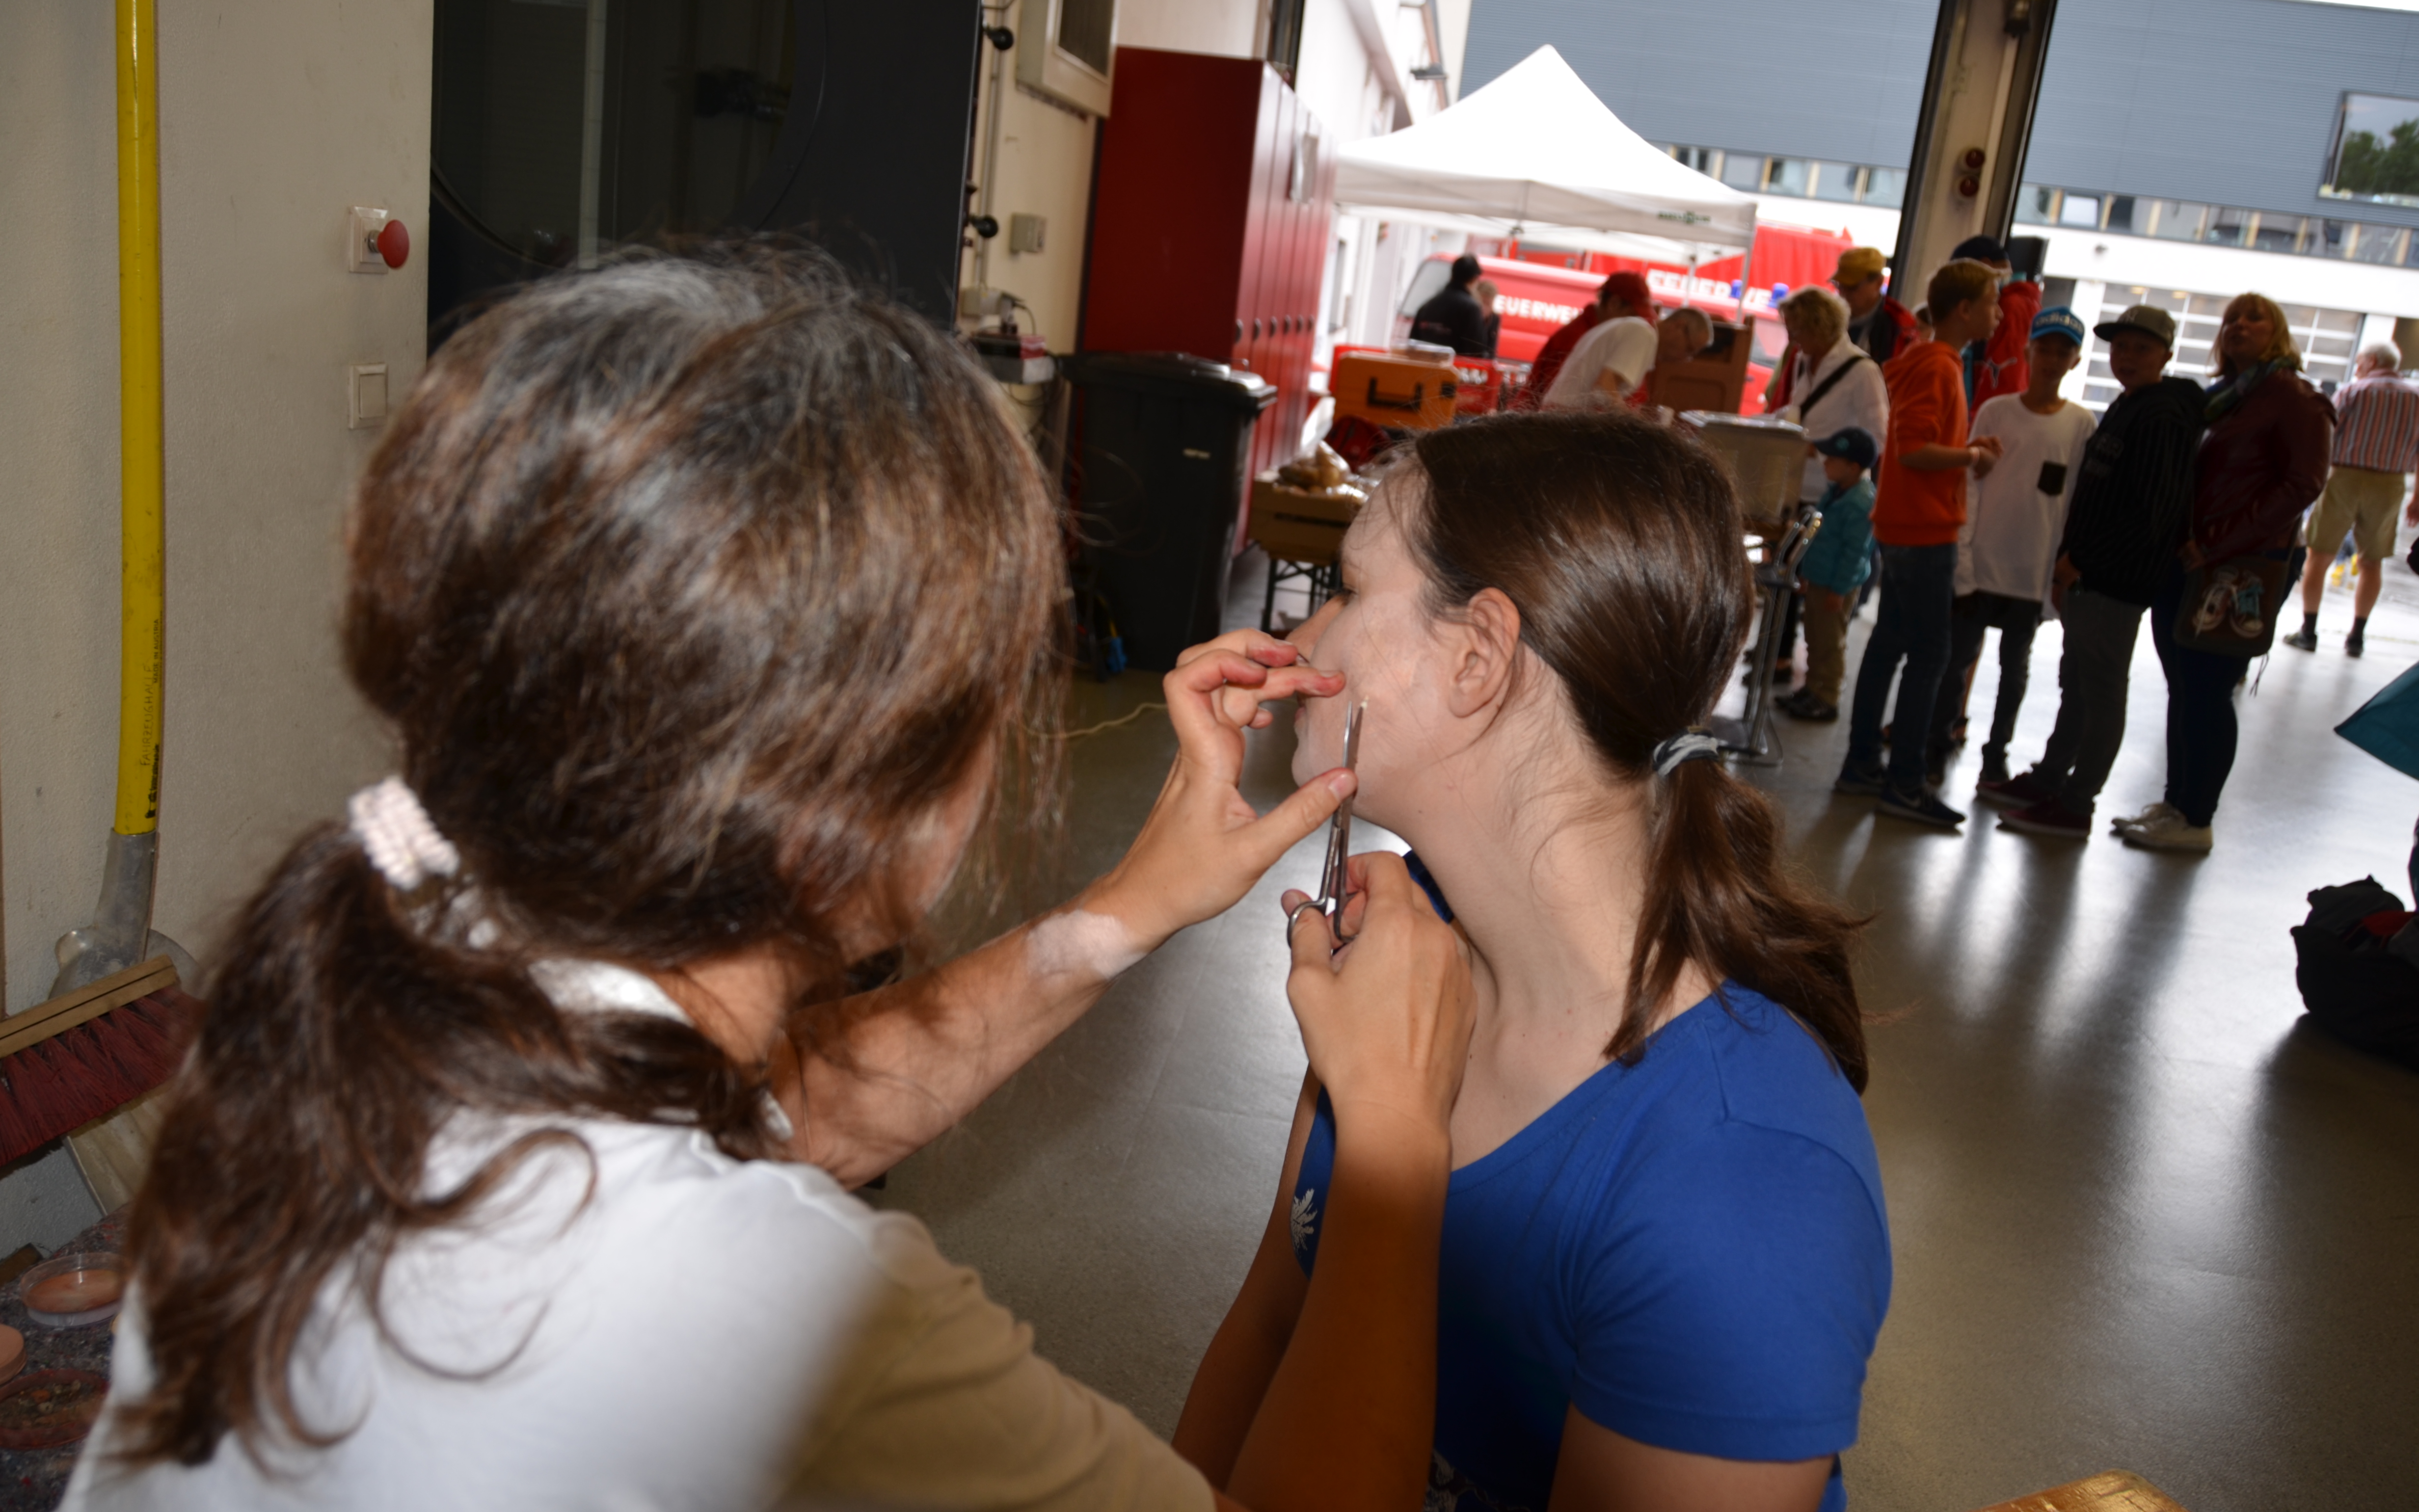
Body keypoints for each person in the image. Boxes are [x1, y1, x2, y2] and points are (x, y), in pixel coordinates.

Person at [67, 247, 1475, 1512]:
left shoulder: (388, 936)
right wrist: (1397, 1150)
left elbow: (796, 1115)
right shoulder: (783, 1305)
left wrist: (1124, 913)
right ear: (853, 810)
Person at [1175, 410, 1889, 1512]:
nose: (1303, 639)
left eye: (1349, 591)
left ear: (1477, 656)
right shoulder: (1407, 950)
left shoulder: (1743, 1185)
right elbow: (1275, 1318)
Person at [1988, 305, 2206, 840]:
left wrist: (2080, 561)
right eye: (2120, 347)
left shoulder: (2162, 417)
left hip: (2115, 581)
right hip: (2088, 578)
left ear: (2166, 355)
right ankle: (2051, 779)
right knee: (2078, 685)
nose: (2126, 357)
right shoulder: (2130, 405)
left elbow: (2148, 512)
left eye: (2141, 349)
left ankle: (2076, 803)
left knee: (2101, 691)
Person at [2127, 292, 2332, 853]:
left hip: (2242, 564)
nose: (2237, 325)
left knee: (2207, 689)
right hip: (2191, 557)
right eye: (2229, 319)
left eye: (2252, 318)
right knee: (2182, 685)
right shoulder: (2221, 398)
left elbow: (2303, 483)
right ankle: (2175, 804)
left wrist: (2219, 541)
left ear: (2277, 331)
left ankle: (2196, 818)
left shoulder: (2294, 398)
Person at [1835, 261, 2006, 827]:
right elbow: (1911, 449)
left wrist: (1964, 447)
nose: (1998, 314)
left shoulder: (1929, 360)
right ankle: (1905, 784)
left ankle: (1862, 764)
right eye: (1991, 302)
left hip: (1904, 524)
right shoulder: (1937, 364)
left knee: (1889, 645)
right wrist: (1972, 457)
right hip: (1923, 529)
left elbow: (1919, 440)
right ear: (1964, 309)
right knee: (1930, 655)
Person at [1922, 308, 2095, 789]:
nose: (2052, 360)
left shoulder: (2080, 424)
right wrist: (1964, 559)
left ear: (2075, 360)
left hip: (2031, 573)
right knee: (1955, 664)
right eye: (2045, 349)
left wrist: (2056, 569)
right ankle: (1936, 746)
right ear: (2028, 352)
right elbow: (1970, 485)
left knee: (2013, 673)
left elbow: (2073, 501)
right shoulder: (1997, 411)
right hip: (1981, 565)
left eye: (2063, 352)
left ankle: (1995, 755)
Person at [1769, 285, 1890, 686]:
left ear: (1821, 327)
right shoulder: (1805, 361)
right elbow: (1800, 410)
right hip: (1795, 485)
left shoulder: (1862, 371)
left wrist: (1822, 454)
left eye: (1798, 329)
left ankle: (1814, 676)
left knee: (1819, 587)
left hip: (1833, 494)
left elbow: (1877, 437)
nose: (1792, 338)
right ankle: (1778, 652)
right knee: (1787, 571)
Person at [2285, 342, 2419, 657]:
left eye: (2359, 362)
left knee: (2320, 555)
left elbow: (2326, 436)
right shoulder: (2416, 397)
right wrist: (2417, 498)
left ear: (2371, 361)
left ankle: (2309, 631)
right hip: (2390, 483)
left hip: (2344, 477)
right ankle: (2357, 637)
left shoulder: (2353, 392)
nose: (2357, 368)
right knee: (2373, 562)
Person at [1781, 428, 1880, 724]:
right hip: (1819, 578)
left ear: (1853, 467)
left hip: (1836, 587)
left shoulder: (1860, 502)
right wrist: (1807, 574)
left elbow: (1856, 553)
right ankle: (1812, 688)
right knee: (1814, 636)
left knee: (1830, 642)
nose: (1825, 463)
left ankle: (1828, 698)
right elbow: (1819, 537)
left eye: (1833, 459)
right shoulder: (1836, 491)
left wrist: (1839, 590)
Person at [1520, 270, 1655, 406]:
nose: (1641, 321)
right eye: (1634, 315)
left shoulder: (1592, 332)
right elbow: (1562, 399)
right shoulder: (1575, 337)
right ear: (1614, 303)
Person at [1544, 306, 1710, 411]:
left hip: (1559, 416)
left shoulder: (1632, 326)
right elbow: (1603, 388)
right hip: (1566, 420)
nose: (1685, 358)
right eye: (1689, 349)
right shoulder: (1643, 335)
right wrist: (1636, 426)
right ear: (1678, 325)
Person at [1947, 235, 2040, 408]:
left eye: (1963, 277)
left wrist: (1976, 421)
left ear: (1985, 266)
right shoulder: (2016, 303)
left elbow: (2004, 380)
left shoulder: (2012, 306)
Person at [1831, 247, 1918, 366]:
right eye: (1839, 286)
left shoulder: (1898, 327)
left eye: (1852, 287)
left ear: (1879, 283)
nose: (1843, 293)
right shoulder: (1827, 318)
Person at [1410, 253, 1494, 356]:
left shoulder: (1427, 306)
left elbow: (1412, 346)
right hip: (1453, 366)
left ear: (1452, 275)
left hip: (1425, 365)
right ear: (1474, 280)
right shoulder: (1471, 309)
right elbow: (1476, 352)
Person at [1472, 277, 1504, 359]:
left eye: (1488, 304)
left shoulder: (1495, 318)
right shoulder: (1471, 314)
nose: (1484, 308)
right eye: (1482, 303)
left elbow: (1492, 347)